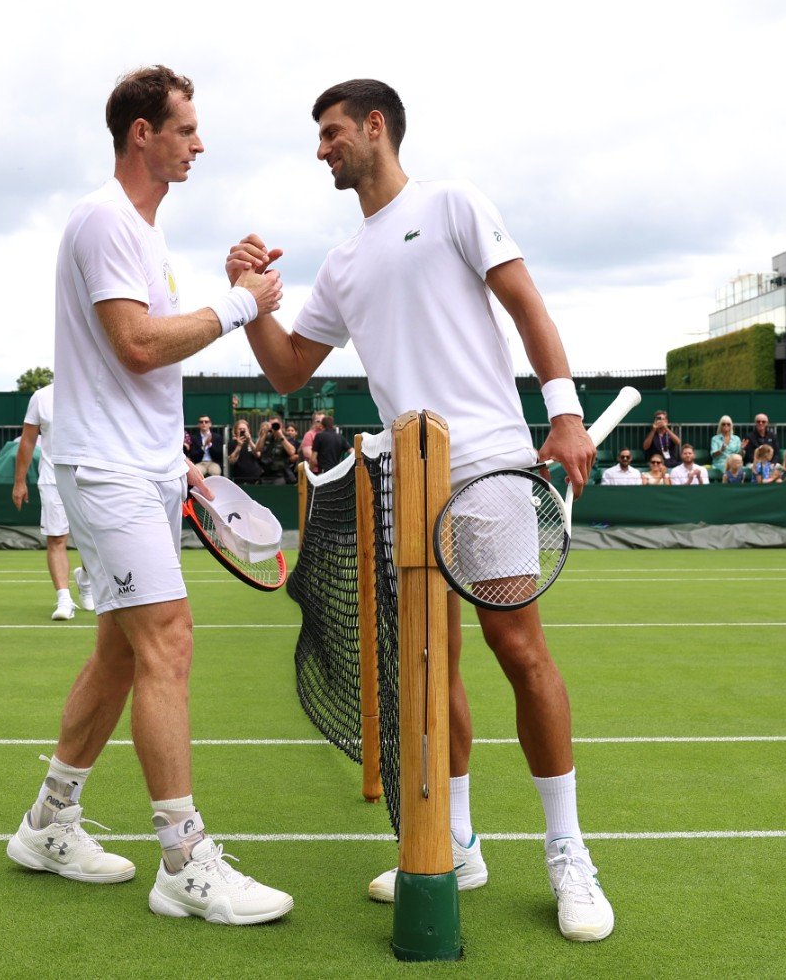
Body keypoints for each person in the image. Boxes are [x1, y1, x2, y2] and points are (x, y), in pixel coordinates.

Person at [231, 77, 610, 940]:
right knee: (431, 668)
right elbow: (290, 368)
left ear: (376, 126)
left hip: (487, 467)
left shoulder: (453, 203)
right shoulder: (339, 263)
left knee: (518, 648)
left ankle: (569, 852)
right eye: (318, 137)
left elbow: (526, 304)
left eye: (332, 131)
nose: (322, 147)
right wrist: (252, 299)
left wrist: (565, 412)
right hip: (406, 479)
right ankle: (459, 841)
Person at [8, 65, 292, 926]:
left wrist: (185, 464)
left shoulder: (139, 234)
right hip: (107, 475)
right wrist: (239, 305)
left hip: (142, 468)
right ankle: (184, 858)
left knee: (123, 652)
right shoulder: (103, 219)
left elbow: (132, 376)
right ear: (143, 133)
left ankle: (49, 821)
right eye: (185, 128)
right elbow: (134, 345)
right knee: (168, 639)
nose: (198, 142)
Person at [14, 382, 92, 621]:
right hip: (52, 478)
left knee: (98, 538)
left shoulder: (99, 390)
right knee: (57, 538)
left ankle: (86, 579)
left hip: (94, 478)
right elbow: (27, 440)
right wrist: (19, 481)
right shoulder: (42, 396)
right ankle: (64, 599)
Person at [224, 419, 265, 483]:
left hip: (255, 476)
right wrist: (239, 446)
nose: (242, 431)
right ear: (235, 431)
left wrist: (250, 441)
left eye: (244, 429)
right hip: (240, 477)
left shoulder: (253, 441)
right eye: (240, 429)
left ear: (248, 430)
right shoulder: (232, 443)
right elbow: (231, 461)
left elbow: (258, 455)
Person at [257, 419, 298, 483]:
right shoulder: (267, 437)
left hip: (280, 474)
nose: (274, 427)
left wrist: (280, 435)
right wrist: (264, 434)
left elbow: (292, 452)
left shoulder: (287, 439)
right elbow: (258, 449)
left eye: (276, 424)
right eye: (272, 425)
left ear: (281, 426)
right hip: (266, 473)